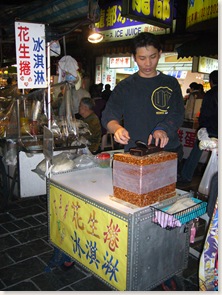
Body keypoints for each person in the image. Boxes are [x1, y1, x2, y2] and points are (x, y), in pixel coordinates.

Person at [101, 32, 184, 165]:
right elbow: (108, 115)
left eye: (153, 57)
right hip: (135, 153)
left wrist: (162, 129)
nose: (148, 63)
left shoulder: (170, 83)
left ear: (160, 53)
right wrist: (117, 128)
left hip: (167, 152)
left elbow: (177, 113)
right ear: (134, 57)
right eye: (142, 58)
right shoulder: (125, 86)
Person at [178, 70, 218, 184]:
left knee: (196, 153)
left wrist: (201, 126)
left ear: (211, 81)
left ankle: (186, 176)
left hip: (209, 129)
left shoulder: (210, 94)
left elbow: (205, 113)